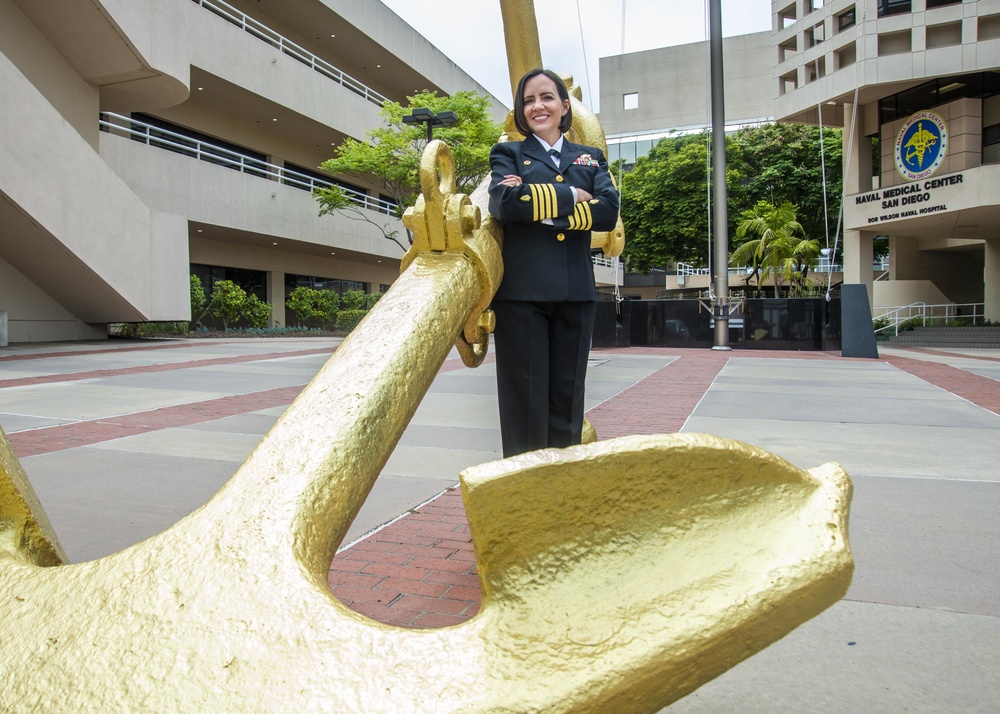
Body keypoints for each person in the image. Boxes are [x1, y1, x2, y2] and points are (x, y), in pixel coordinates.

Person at [487, 68, 620, 458]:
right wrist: (574, 196)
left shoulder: (591, 158)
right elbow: (506, 204)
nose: (537, 106)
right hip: (522, 295)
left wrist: (541, 205)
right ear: (520, 111)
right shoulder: (508, 153)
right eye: (528, 100)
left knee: (567, 399)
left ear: (564, 107)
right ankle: (524, 490)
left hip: (575, 292)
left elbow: (608, 213)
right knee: (524, 403)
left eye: (546, 97)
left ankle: (560, 490)